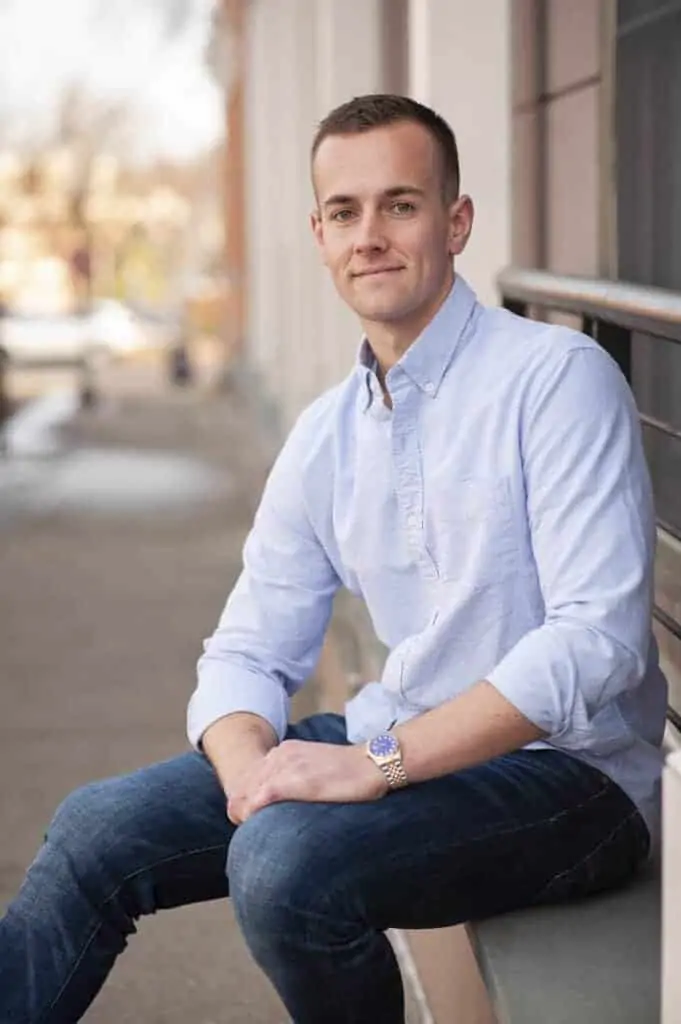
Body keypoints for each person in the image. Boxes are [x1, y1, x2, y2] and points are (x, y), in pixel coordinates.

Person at [0, 94, 667, 1024]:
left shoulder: (554, 381)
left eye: (401, 204)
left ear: (455, 220)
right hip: (396, 742)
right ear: (318, 235)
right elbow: (245, 651)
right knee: (93, 832)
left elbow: (596, 643)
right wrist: (248, 778)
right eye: (345, 213)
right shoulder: (325, 435)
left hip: (570, 778)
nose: (372, 236)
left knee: (285, 871)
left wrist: (380, 762)